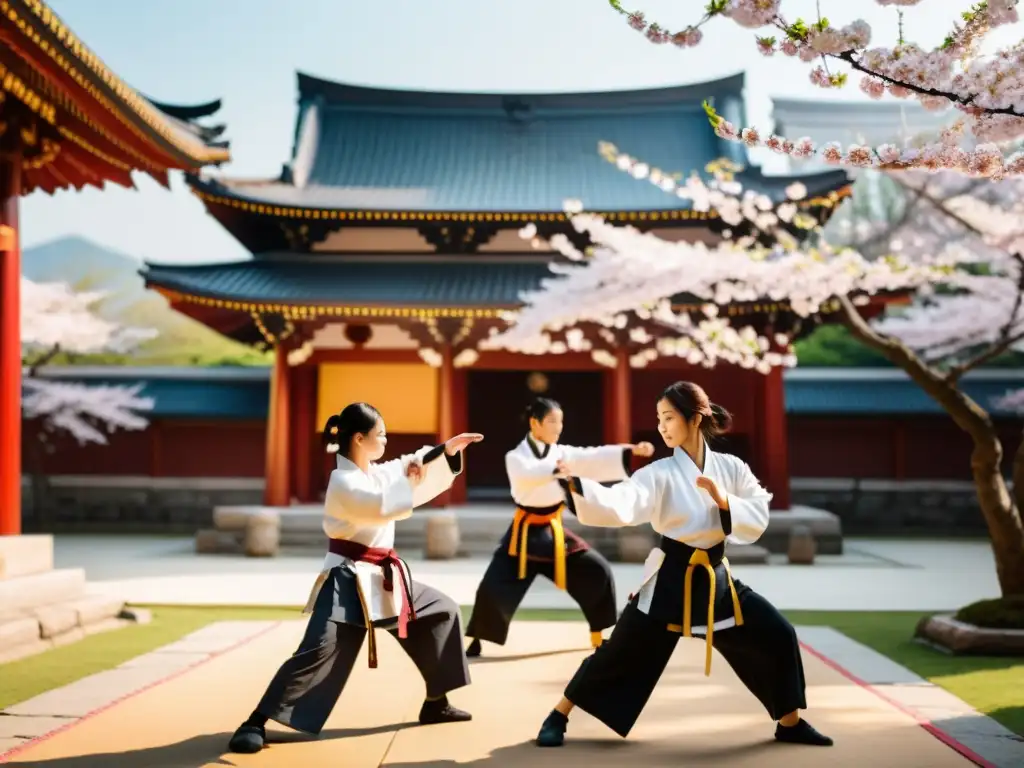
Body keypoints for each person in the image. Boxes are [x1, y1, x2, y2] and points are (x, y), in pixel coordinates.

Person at [534, 382, 833, 749]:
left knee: (776, 634)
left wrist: (725, 502)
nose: (661, 427)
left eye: (669, 417)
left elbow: (758, 508)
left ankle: (789, 722)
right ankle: (558, 715)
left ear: (694, 418)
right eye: (659, 419)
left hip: (715, 581)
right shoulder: (658, 473)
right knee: (618, 652)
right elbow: (623, 501)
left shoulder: (732, 468)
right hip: (670, 579)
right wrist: (578, 486)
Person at [227, 402, 484, 754]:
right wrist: (408, 480)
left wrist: (446, 451)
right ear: (360, 439)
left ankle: (436, 702)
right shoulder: (343, 482)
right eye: (380, 434)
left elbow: (407, 465)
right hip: (347, 578)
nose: (386, 440)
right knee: (319, 648)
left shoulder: (374, 472)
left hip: (384, 577)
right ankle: (255, 721)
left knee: (440, 611)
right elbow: (380, 505)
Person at [464, 396, 654, 658]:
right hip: (523, 533)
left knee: (597, 570)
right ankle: (476, 640)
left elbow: (593, 456)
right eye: (552, 421)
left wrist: (631, 450)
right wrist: (556, 470)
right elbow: (527, 475)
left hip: (553, 531)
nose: (558, 427)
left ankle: (600, 634)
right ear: (535, 423)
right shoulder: (516, 457)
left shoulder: (562, 454)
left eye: (561, 421)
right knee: (492, 586)